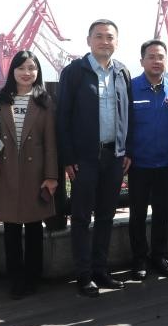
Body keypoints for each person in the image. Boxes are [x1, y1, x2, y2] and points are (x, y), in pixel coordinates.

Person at [57, 19, 134, 298]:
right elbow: (62, 116)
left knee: (106, 215)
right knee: (80, 217)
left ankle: (101, 269)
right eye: (99, 36)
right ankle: (84, 274)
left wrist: (127, 149)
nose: (104, 41)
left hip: (114, 155)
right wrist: (68, 157)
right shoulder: (75, 72)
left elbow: (129, 114)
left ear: (117, 41)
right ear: (88, 40)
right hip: (84, 158)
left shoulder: (122, 71)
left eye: (110, 37)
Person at [0, 50, 57, 298]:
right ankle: (16, 278)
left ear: (38, 72)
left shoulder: (45, 100)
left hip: (36, 172)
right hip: (6, 170)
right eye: (21, 68)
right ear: (12, 71)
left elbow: (51, 141)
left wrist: (51, 175)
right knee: (10, 227)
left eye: (32, 68)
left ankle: (33, 276)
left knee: (34, 227)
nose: (26, 73)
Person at [127, 39, 168, 281]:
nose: (156, 61)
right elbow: (124, 125)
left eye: (160, 57)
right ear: (142, 61)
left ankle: (160, 256)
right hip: (138, 163)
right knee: (137, 214)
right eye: (151, 57)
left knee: (162, 214)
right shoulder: (130, 88)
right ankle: (139, 258)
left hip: (166, 164)